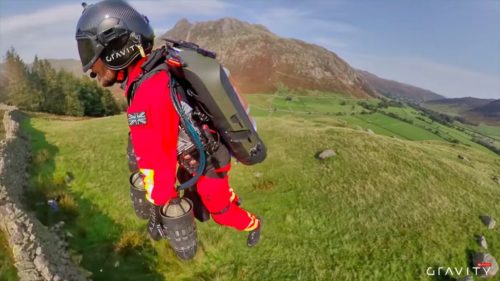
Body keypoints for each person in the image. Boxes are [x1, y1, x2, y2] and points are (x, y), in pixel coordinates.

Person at [75, 0, 261, 247]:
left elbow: (156, 161)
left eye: (90, 52)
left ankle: (253, 224)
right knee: (206, 199)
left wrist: (159, 205)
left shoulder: (147, 90)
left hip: (209, 162)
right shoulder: (152, 73)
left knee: (220, 211)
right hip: (195, 155)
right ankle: (228, 199)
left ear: (114, 46)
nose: (90, 68)